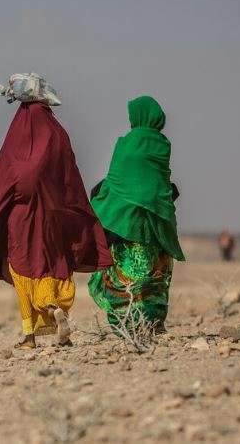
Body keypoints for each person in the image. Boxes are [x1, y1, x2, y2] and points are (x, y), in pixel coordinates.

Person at [0, 76, 112, 349]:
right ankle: (54, 307)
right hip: (54, 218)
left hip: (21, 218)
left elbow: (4, 181)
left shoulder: (17, 137)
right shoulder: (57, 134)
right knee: (51, 265)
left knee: (23, 268)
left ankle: (30, 336)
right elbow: (70, 180)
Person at [87, 95, 185, 333]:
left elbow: (116, 183)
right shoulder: (163, 144)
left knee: (125, 274)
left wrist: (101, 200)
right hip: (154, 225)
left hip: (126, 223)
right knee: (153, 276)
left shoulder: (126, 143)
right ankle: (152, 323)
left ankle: (125, 323)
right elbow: (156, 184)